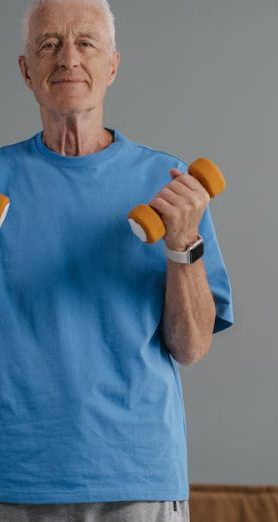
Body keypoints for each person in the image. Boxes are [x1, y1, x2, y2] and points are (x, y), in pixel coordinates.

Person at [0, 0, 234, 520]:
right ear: (26, 70)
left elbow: (191, 346)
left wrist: (183, 243)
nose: (68, 59)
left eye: (86, 43)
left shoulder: (171, 184)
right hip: (15, 475)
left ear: (112, 65)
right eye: (48, 44)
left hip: (138, 475)